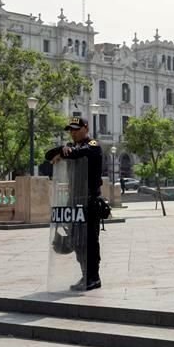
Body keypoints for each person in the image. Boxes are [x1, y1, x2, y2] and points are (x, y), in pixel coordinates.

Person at [47, 115, 104, 291]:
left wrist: (65, 152)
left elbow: (80, 153)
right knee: (77, 241)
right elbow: (48, 155)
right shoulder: (71, 147)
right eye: (70, 130)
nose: (73, 133)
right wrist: (61, 149)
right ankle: (84, 274)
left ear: (86, 128)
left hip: (89, 201)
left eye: (76, 130)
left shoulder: (93, 146)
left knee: (90, 242)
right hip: (74, 201)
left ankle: (93, 277)